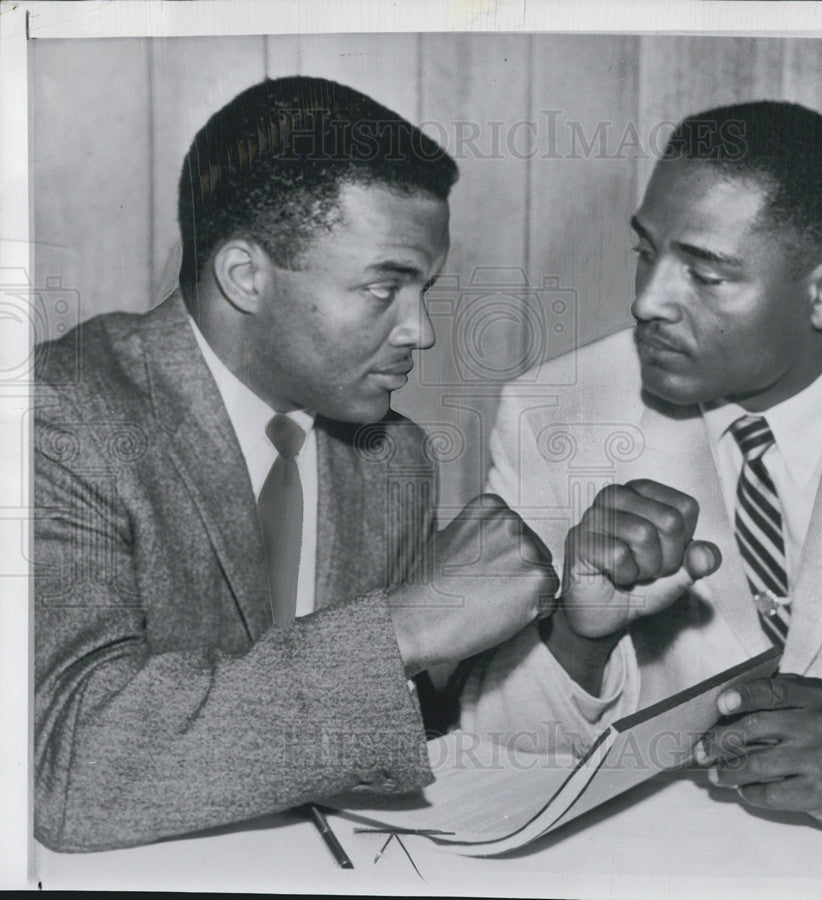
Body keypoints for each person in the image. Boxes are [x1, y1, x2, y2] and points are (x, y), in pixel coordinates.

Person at [33, 76, 559, 852]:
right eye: (385, 287)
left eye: (426, 290)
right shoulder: (58, 416)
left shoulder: (397, 457)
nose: (421, 330)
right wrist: (404, 625)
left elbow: (397, 731)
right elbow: (68, 771)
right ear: (246, 276)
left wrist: (576, 634)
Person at [460, 101, 822, 843]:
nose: (647, 301)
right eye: (646, 253)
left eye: (705, 275)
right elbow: (495, 746)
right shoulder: (553, 416)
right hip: (667, 863)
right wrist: (580, 636)